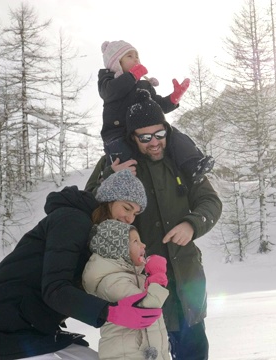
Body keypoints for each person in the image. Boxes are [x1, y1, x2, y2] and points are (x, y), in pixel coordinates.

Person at [0, 170, 161, 360]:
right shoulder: (72, 220)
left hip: (36, 328)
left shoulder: (99, 235)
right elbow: (55, 289)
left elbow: (99, 283)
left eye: (135, 213)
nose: (129, 218)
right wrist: (109, 312)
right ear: (108, 200)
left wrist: (145, 277)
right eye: (126, 208)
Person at [85, 89, 223, 360]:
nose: (154, 142)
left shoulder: (182, 162)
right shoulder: (114, 163)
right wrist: (111, 177)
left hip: (186, 283)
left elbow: (211, 202)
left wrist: (192, 225)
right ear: (132, 137)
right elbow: (89, 206)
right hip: (138, 287)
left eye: (159, 134)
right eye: (145, 137)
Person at [99, 40, 214, 184]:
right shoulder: (107, 80)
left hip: (146, 129)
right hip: (118, 132)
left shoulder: (143, 84)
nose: (135, 59)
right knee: (121, 157)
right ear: (116, 63)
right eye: (129, 56)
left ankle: (193, 165)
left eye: (137, 56)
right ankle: (120, 183)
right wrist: (132, 76)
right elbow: (110, 92)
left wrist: (173, 99)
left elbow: (158, 105)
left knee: (174, 136)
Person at [83, 219, 171, 360]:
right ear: (118, 248)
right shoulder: (112, 282)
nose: (143, 245)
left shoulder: (136, 278)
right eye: (135, 241)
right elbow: (148, 308)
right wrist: (158, 276)